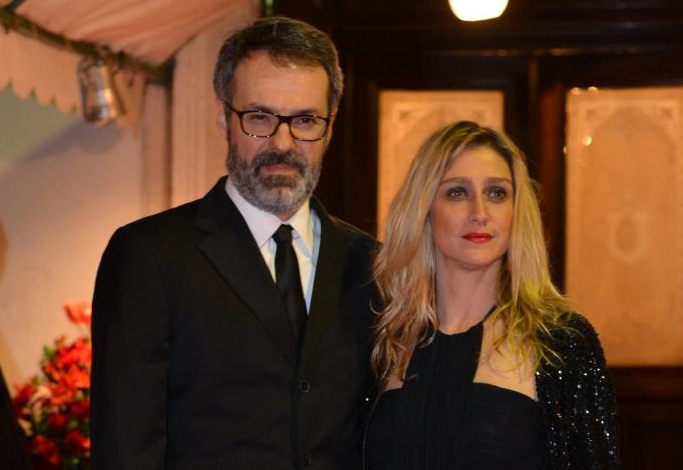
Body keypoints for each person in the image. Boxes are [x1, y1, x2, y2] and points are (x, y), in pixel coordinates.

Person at [90, 17, 380, 470]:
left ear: (330, 126)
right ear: (223, 118)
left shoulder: (371, 263)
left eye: (305, 120)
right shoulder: (149, 256)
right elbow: (125, 447)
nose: (283, 143)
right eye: (260, 118)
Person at [364, 121, 621, 469]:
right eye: (457, 192)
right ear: (424, 210)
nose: (480, 213)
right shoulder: (386, 340)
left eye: (497, 193)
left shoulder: (561, 342)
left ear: (517, 211)